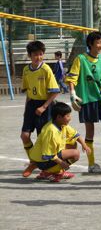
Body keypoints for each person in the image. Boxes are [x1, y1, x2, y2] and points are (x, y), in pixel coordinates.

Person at [65, 31, 101, 173]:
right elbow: (72, 78)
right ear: (90, 44)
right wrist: (73, 94)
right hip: (87, 100)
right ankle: (91, 164)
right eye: (98, 42)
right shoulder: (80, 59)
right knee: (90, 132)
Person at [20, 40, 60, 178]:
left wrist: (43, 107)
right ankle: (34, 161)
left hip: (46, 105)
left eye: (41, 54)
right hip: (32, 106)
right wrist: (26, 110)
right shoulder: (26, 70)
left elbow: (55, 91)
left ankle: (45, 167)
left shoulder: (46, 69)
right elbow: (28, 92)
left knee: (43, 139)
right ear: (30, 55)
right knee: (25, 136)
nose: (39, 57)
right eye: (36, 54)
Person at [29, 102, 91, 182]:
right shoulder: (51, 131)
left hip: (50, 155)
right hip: (42, 160)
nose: (70, 118)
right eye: (68, 116)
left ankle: (56, 172)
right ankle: (48, 173)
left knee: (73, 144)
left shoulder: (61, 124)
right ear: (59, 117)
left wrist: (84, 145)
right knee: (76, 154)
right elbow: (48, 154)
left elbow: (75, 135)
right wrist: (62, 163)